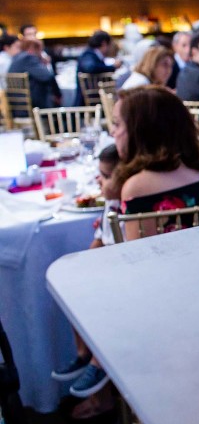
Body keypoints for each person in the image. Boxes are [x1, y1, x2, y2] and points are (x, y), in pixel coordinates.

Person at [111, 85, 199, 240]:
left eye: (116, 123)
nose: (112, 132)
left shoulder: (137, 187)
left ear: (141, 130)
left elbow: (140, 258)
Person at [51, 144, 122, 408]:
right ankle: (84, 354)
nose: (98, 181)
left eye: (105, 176)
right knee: (70, 280)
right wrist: (81, 263)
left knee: (89, 293)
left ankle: (99, 362)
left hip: (122, 272)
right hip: (108, 262)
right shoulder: (112, 203)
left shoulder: (126, 206)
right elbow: (100, 239)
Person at [7, 38, 62, 108]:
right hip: (30, 106)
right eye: (40, 49)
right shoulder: (28, 57)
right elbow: (48, 76)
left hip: (17, 105)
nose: (41, 53)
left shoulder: (17, 57)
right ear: (32, 49)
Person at [74, 30, 121, 106]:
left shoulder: (93, 54)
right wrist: (112, 67)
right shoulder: (88, 54)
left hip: (97, 95)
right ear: (104, 44)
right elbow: (90, 67)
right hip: (92, 97)